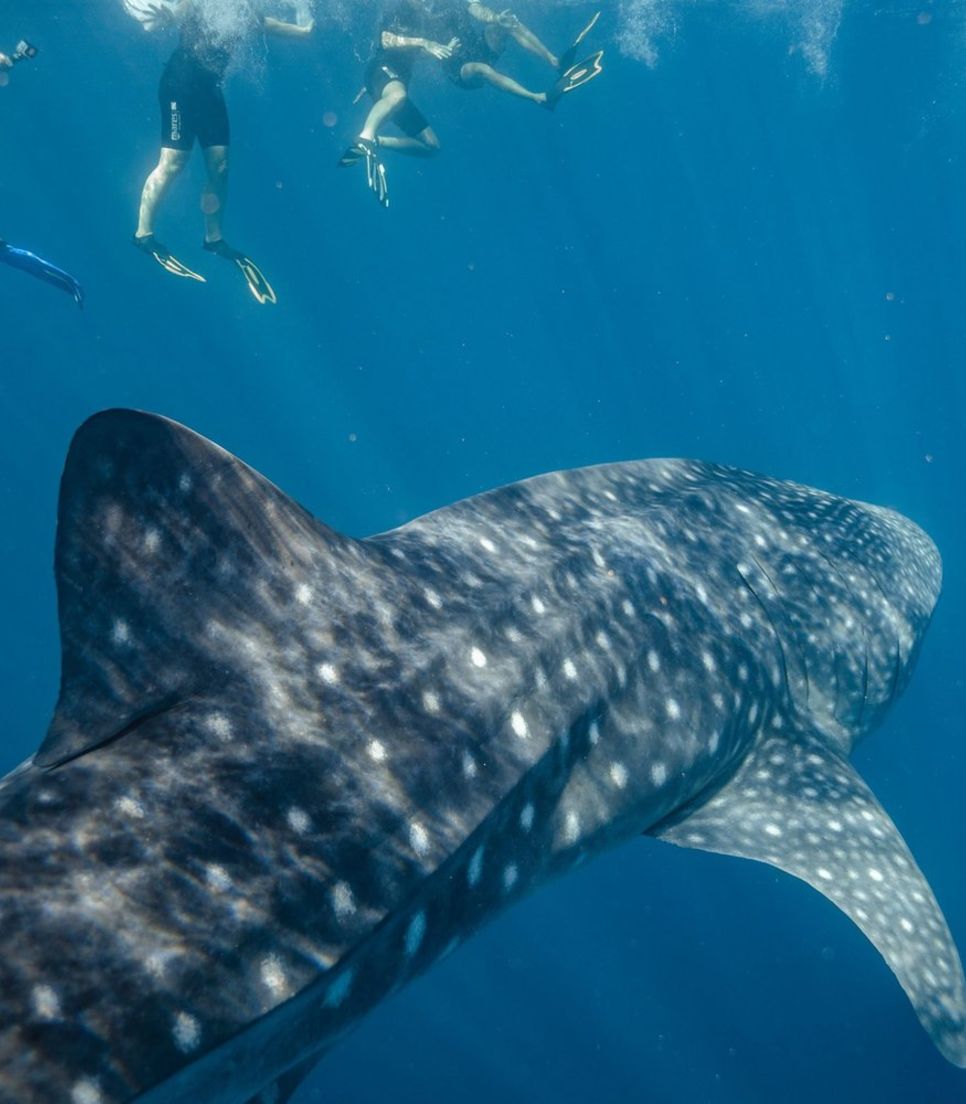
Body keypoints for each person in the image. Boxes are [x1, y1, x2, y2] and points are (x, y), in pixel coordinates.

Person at [132, 1, 313, 303]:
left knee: (220, 166)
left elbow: (303, 33)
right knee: (174, 162)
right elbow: (174, 13)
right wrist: (164, 16)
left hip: (209, 91)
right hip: (179, 84)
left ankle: (213, 239)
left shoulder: (249, 15)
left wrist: (303, 8)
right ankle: (143, 235)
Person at [338, 1, 459, 208]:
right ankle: (365, 138)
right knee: (399, 96)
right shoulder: (397, 10)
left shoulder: (421, 20)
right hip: (381, 70)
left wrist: (441, 50)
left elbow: (413, 53)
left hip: (391, 81)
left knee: (431, 146)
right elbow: (386, 41)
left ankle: (376, 142)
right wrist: (423, 42)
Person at [444, 6, 602, 109]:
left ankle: (555, 62)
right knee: (481, 69)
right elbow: (420, 50)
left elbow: (475, 7)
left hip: (477, 47)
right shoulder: (421, 10)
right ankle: (538, 97)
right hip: (457, 68)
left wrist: (495, 18)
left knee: (508, 22)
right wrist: (429, 44)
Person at [0, 239, 84, 308]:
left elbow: (3, 244)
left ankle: (74, 282)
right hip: (21, 265)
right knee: (46, 277)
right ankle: (72, 292)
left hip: (22, 256)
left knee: (48, 268)